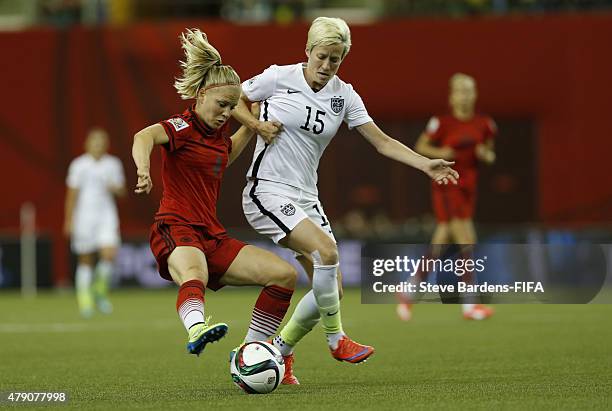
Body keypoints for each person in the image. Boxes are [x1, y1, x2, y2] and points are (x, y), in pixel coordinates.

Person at [232, 17, 459, 384]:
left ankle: (279, 351)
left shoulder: (344, 96)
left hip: (307, 197)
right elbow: (235, 99)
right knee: (329, 252)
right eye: (321, 56)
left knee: (332, 289)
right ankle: (336, 340)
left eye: (334, 60)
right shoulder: (277, 77)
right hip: (266, 190)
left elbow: (382, 141)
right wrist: (256, 125)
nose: (325, 66)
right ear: (307, 51)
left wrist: (425, 165)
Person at [132, 28, 298, 357]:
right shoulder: (182, 127)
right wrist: (142, 169)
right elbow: (143, 137)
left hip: (212, 236)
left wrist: (255, 127)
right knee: (195, 273)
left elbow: (228, 153)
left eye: (231, 107)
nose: (225, 112)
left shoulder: (219, 137)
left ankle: (252, 349)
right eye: (222, 105)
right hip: (176, 226)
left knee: (283, 275)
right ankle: (197, 329)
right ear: (202, 94)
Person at [396, 73, 496, 321]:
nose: (465, 96)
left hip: (468, 188)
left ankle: (409, 289)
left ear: (475, 94)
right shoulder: (440, 122)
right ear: (452, 97)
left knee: (440, 241)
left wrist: (485, 155)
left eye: (469, 91)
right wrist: (442, 151)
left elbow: (491, 155)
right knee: (466, 237)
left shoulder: (485, 124)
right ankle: (470, 304)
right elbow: (421, 146)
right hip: (447, 184)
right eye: (460, 91)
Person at [64, 128, 126, 318]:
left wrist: (115, 188)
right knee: (86, 259)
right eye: (94, 141)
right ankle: (85, 300)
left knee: (109, 254)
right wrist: (68, 219)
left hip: (107, 216)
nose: (98, 145)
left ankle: (99, 291)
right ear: (87, 144)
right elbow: (72, 195)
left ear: (106, 145)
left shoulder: (113, 164)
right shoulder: (79, 165)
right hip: (84, 217)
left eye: (101, 142)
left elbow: (122, 192)